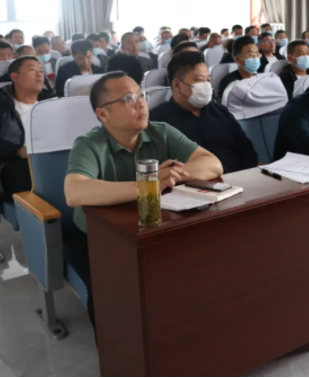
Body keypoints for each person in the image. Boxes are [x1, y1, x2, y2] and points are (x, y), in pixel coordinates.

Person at [64, 72, 223, 329]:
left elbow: (212, 164)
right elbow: (75, 192)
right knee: (115, 298)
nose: (141, 104)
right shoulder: (88, 144)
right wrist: (149, 184)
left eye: (141, 95)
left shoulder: (160, 131)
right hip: (98, 238)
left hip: (154, 227)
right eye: (128, 99)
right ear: (103, 114)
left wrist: (172, 175)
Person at [150, 51, 257, 173]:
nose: (206, 85)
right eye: (200, 80)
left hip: (237, 178)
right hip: (191, 182)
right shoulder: (157, 121)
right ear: (177, 85)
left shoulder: (221, 111)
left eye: (208, 80)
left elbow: (247, 151)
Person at [0, 57, 55, 199]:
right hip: (19, 164)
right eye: (32, 70)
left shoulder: (53, 104)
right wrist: (16, 151)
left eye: (41, 71)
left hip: (53, 158)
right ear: (14, 77)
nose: (39, 74)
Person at [218, 36, 259, 100]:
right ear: (237, 59)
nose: (255, 58)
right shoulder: (229, 83)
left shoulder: (260, 79)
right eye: (250, 55)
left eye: (257, 54)